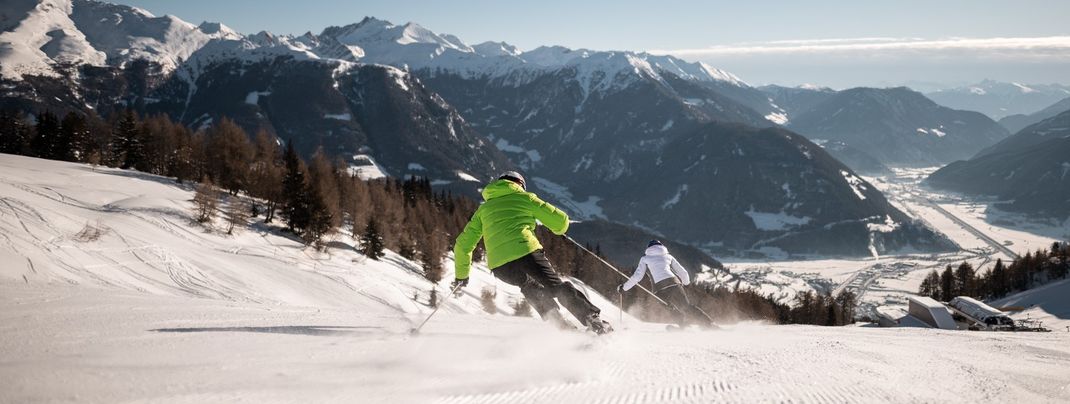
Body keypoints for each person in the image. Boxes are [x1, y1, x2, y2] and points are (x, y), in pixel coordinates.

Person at [452, 171, 613, 334]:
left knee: (529, 287)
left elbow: (462, 245)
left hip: (500, 266)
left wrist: (461, 276)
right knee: (555, 286)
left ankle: (561, 326)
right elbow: (561, 221)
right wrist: (557, 228)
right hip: (526, 253)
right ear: (519, 184)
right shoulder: (525, 198)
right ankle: (593, 321)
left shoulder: (483, 210)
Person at [619, 240, 715, 329]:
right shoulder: (668, 256)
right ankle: (709, 324)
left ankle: (683, 325)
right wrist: (686, 282)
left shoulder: (645, 259)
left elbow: (637, 277)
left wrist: (624, 288)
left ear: (648, 248)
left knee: (669, 307)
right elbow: (683, 272)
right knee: (686, 306)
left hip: (659, 289)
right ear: (662, 247)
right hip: (674, 283)